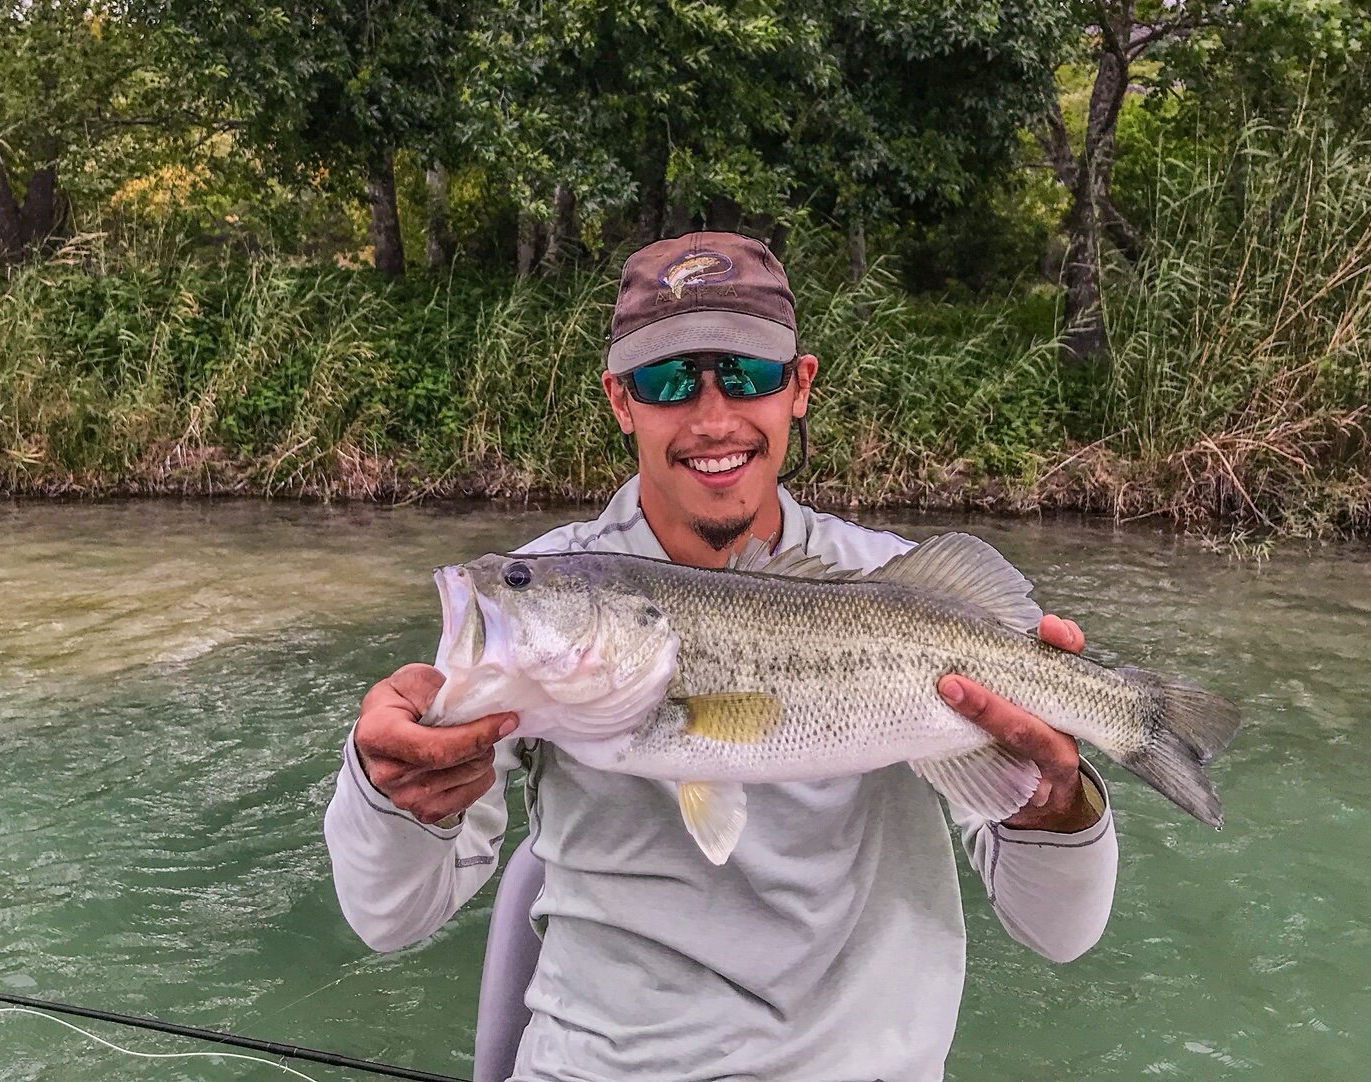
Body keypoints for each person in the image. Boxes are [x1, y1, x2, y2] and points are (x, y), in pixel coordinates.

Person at [324, 232, 1117, 1081]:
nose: (712, 417)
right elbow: (389, 918)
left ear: (799, 387)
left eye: (746, 375)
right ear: (621, 400)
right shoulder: (543, 592)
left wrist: (1058, 804)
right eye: (669, 380)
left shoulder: (902, 593)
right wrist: (393, 793)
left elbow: (1060, 936)